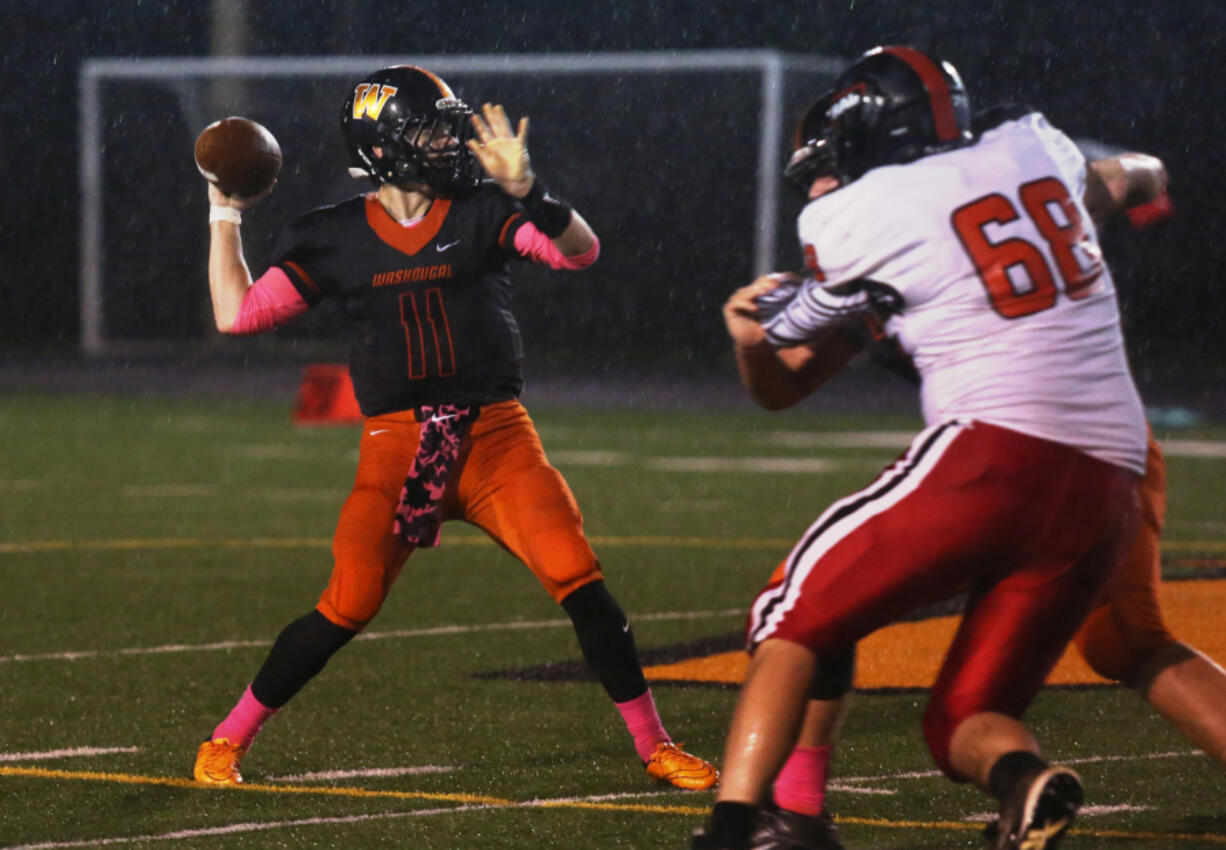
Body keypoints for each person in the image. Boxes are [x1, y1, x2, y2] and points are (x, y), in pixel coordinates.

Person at [191, 65, 717, 792]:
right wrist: (226, 214)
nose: (446, 141)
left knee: (580, 579)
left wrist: (529, 191)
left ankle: (656, 746)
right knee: (346, 603)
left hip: (496, 439)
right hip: (397, 446)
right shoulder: (335, 235)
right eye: (428, 130)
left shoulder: (481, 210)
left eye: (445, 126)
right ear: (382, 146)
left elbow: (580, 252)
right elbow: (237, 314)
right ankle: (226, 740)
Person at [717, 109, 1226, 850]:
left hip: (1012, 449)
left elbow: (783, 381)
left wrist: (756, 336)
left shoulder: (890, 222)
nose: (819, 189)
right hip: (1109, 452)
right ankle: (806, 808)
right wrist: (1147, 178)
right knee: (1125, 642)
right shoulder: (984, 191)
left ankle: (789, 814)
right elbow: (1120, 177)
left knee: (809, 607)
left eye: (825, 170)